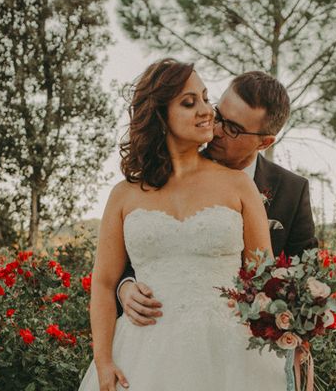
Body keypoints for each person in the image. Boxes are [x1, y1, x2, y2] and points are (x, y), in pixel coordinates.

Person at [78, 59, 287, 391]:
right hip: (142, 355)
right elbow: (103, 284)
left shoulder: (239, 186)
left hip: (228, 354)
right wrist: (104, 362)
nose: (207, 111)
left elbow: (263, 279)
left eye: (205, 97)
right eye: (189, 103)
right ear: (161, 116)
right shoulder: (123, 195)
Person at [118, 71, 317, 328]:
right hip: (161, 327)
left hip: (240, 340)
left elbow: (306, 278)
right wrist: (126, 287)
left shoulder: (292, 190)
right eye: (219, 115)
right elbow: (137, 246)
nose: (217, 129)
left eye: (233, 128)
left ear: (264, 142)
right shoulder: (169, 172)